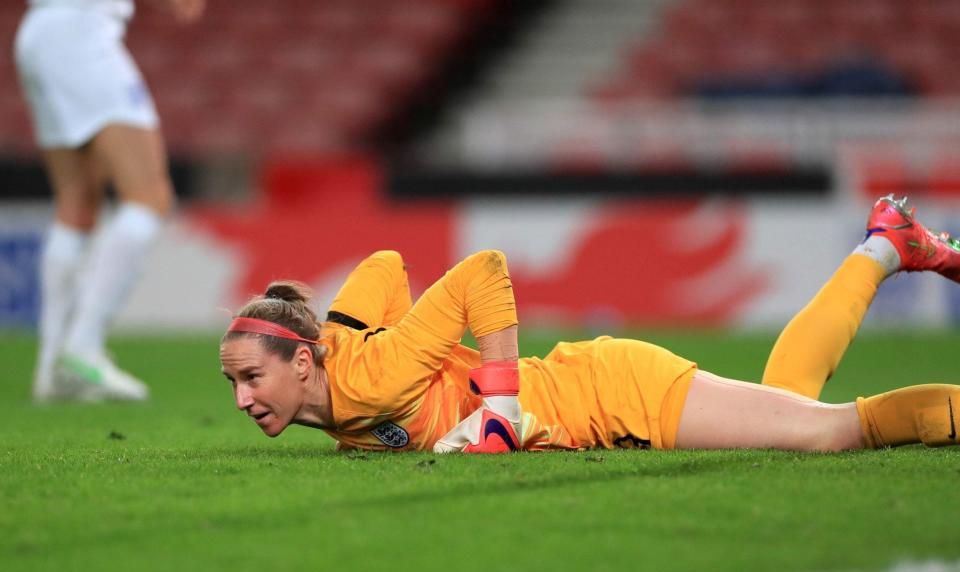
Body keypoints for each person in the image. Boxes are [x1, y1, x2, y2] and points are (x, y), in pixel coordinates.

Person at [219, 195, 960, 453]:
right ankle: (886, 244)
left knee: (827, 431)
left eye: (252, 377)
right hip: (593, 390)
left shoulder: (374, 377)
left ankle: (886, 247)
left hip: (614, 396)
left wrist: (501, 414)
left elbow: (484, 269)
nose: (243, 399)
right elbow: (382, 262)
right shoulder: (343, 368)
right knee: (788, 397)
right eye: (234, 381)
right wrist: (342, 328)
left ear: (302, 364)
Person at [15, 0, 205, 402]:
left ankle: (51, 371)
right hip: (82, 32)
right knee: (149, 196)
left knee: (77, 202)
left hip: (39, 31)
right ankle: (82, 346)